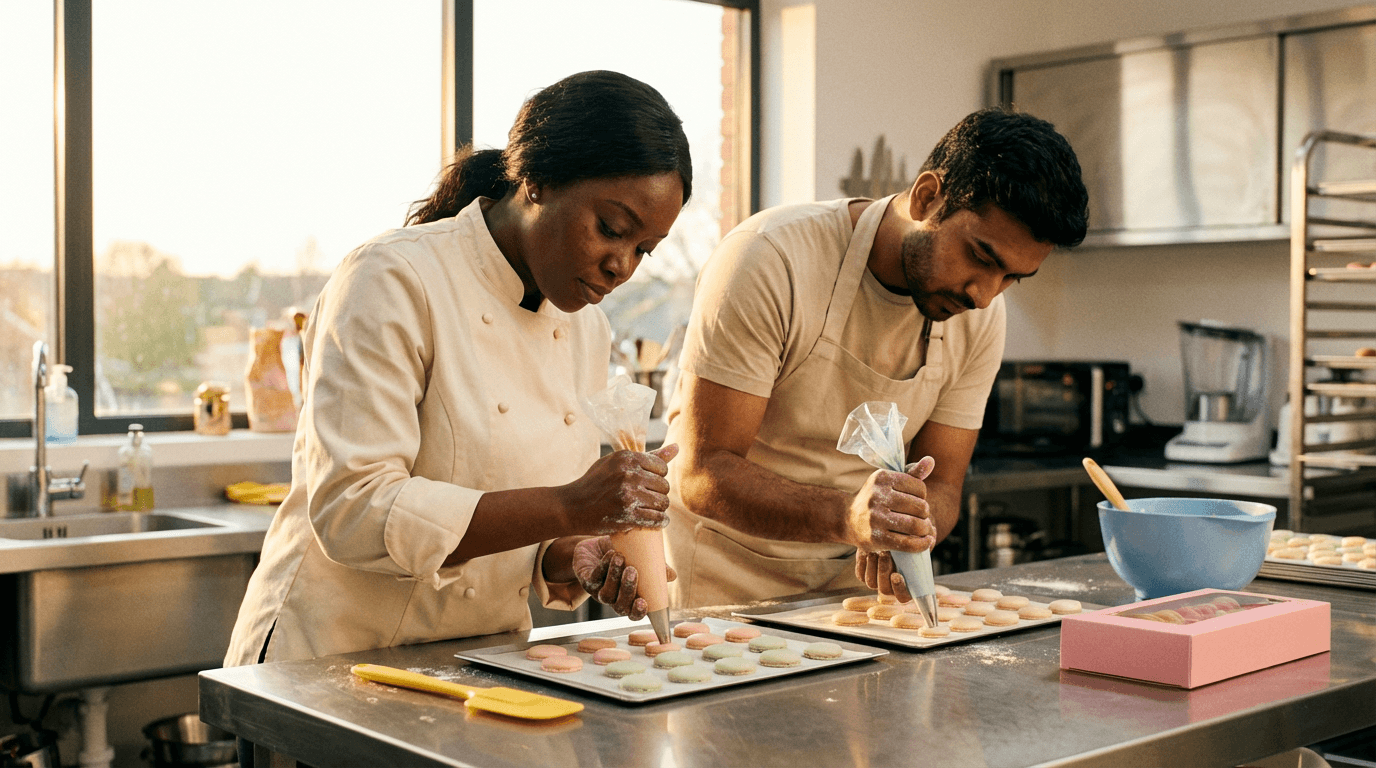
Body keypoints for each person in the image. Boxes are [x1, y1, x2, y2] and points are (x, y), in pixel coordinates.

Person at [224, 70, 693, 669]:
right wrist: (570, 505)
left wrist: (575, 551)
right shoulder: (393, 278)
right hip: (330, 657)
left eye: (642, 250)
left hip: (481, 663)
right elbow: (355, 510)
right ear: (539, 180)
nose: (621, 266)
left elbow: (532, 518)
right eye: (612, 229)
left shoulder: (585, 328)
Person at [662, 107, 1088, 607]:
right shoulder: (771, 258)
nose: (985, 294)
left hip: (855, 594)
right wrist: (849, 517)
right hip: (725, 583)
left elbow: (946, 485)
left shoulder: (982, 317)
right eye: (981, 257)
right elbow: (703, 472)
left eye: (1013, 277)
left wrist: (908, 524)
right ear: (928, 197)